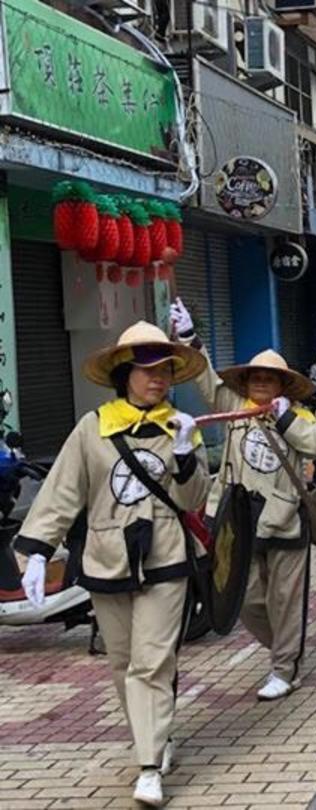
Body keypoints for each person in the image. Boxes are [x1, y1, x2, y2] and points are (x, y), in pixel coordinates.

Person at [16, 322, 209, 807]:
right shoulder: (93, 427)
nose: (158, 379)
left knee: (151, 661)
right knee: (123, 663)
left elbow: (194, 499)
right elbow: (63, 491)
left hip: (165, 556)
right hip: (107, 559)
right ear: (125, 374)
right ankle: (156, 737)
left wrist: (185, 454)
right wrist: (38, 551)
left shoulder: (181, 427)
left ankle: (149, 766)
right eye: (148, 370)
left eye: (166, 370)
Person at [172, 298, 316, 700]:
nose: (260, 383)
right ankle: (287, 650)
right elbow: (207, 381)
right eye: (255, 378)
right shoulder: (234, 406)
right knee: (244, 597)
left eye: (269, 379)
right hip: (239, 521)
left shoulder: (298, 418)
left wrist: (284, 417)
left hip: (285, 522)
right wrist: (190, 337)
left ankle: (285, 668)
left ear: (282, 385)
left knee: (285, 599)